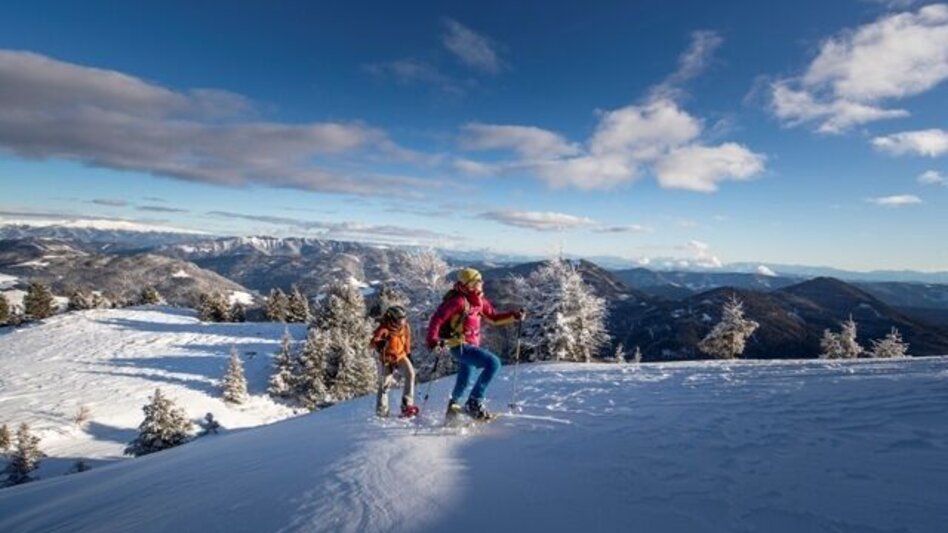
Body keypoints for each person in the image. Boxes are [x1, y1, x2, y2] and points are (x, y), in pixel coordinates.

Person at [426, 268, 525, 420]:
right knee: (493, 363)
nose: (482, 283)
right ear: (470, 284)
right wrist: (432, 339)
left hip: (471, 346)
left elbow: (493, 317)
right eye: (479, 281)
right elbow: (437, 318)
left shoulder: (479, 301)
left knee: (464, 380)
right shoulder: (458, 301)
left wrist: (514, 315)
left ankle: (451, 412)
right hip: (459, 346)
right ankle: (474, 402)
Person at [371, 305, 418, 418]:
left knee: (410, 374)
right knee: (384, 385)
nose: (403, 322)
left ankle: (407, 405)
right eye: (400, 319)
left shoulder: (405, 327)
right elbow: (373, 342)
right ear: (393, 319)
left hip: (400, 356)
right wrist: (379, 344)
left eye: (404, 319)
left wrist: (408, 353)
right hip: (387, 359)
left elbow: (407, 341)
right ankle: (382, 412)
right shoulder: (384, 329)